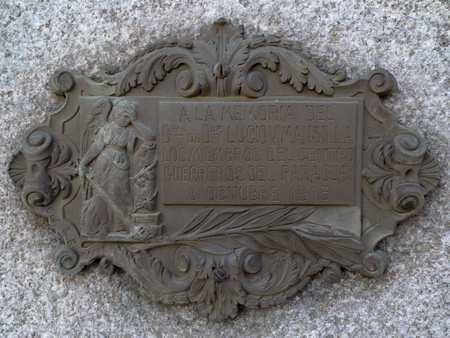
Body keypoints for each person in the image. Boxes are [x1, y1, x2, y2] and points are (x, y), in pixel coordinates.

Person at [79, 99, 155, 237]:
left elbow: (150, 136)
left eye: (129, 117)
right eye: (125, 116)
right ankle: (104, 226)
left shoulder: (132, 129)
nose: (127, 120)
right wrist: (84, 162)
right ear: (117, 114)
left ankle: (125, 226)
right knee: (100, 195)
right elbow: (96, 148)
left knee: (119, 192)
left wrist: (135, 121)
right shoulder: (106, 129)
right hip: (103, 162)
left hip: (121, 163)